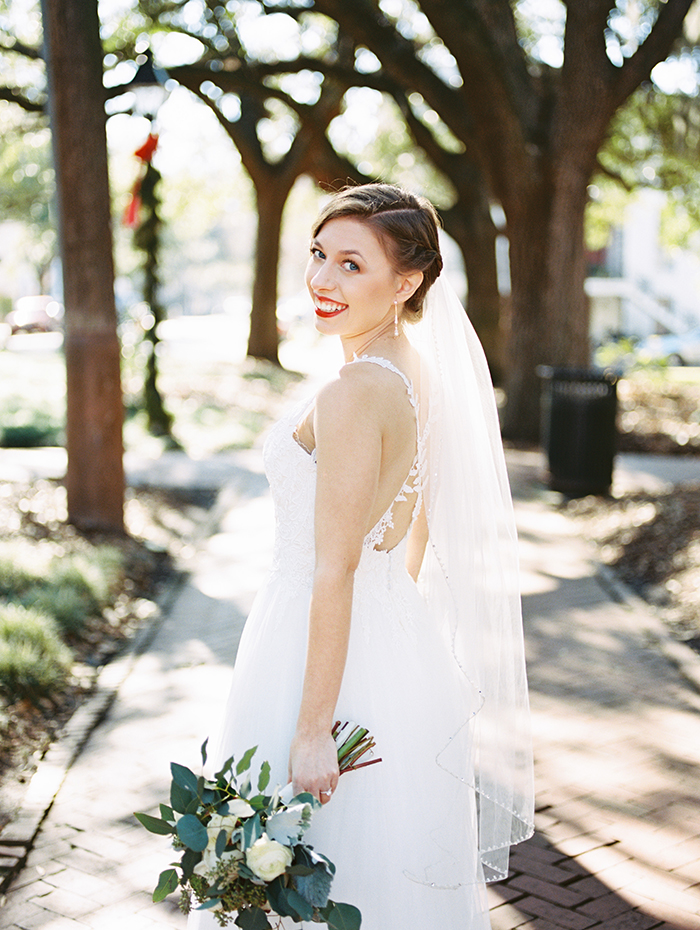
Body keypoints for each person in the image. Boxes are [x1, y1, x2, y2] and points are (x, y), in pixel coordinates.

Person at [188, 183, 534, 929]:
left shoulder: (354, 389)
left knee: (305, 870)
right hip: (387, 643)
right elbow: (409, 531)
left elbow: (334, 564)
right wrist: (387, 623)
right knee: (370, 878)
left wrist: (313, 729)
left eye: (351, 265)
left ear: (405, 282)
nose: (321, 279)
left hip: (312, 649)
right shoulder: (417, 370)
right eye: (319, 255)